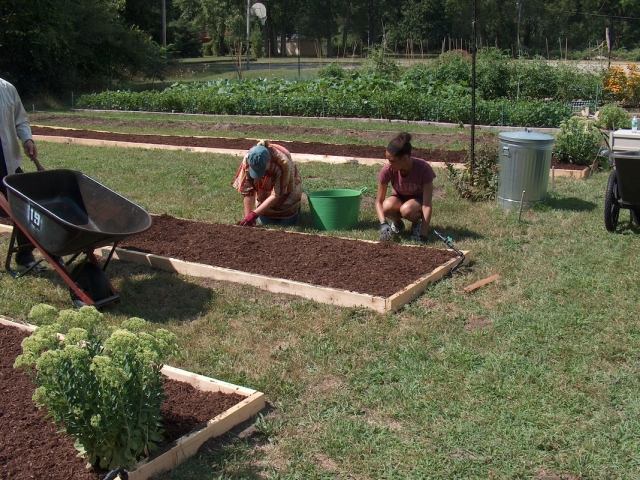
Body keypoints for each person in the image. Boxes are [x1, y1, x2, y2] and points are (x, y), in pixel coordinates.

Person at [0, 77, 44, 269]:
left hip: (8, 161)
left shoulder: (7, 88)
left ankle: (25, 255)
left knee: (24, 209)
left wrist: (27, 139)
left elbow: (20, 119)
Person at [375, 132, 435, 242]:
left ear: (405, 158)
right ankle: (398, 224)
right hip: (399, 198)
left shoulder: (424, 169)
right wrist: (383, 224)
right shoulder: (388, 170)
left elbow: (426, 205)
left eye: (392, 160)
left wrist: (424, 234)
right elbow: (379, 202)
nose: (389, 164)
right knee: (387, 206)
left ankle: (417, 225)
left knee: (407, 210)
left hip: (417, 203)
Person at [232, 140, 302, 226]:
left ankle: (295, 211)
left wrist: (254, 214)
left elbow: (276, 194)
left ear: (269, 161)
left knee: (286, 220)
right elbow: (247, 190)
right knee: (265, 220)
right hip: (265, 190)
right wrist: (248, 217)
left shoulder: (283, 163)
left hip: (286, 192)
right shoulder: (249, 159)